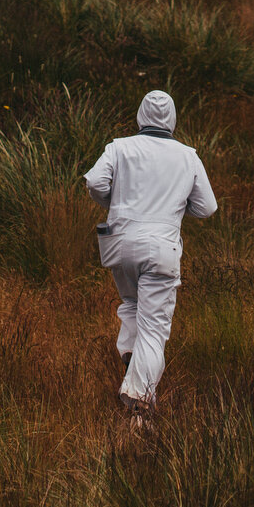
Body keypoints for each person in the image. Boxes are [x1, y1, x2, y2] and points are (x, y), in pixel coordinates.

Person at [83, 90, 217, 420]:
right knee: (155, 329)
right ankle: (138, 403)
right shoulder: (188, 156)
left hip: (120, 244)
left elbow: (94, 182)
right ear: (171, 119)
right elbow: (207, 207)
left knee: (131, 304)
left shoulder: (119, 147)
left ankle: (130, 353)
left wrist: (117, 205)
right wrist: (174, 206)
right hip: (162, 248)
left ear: (141, 116)